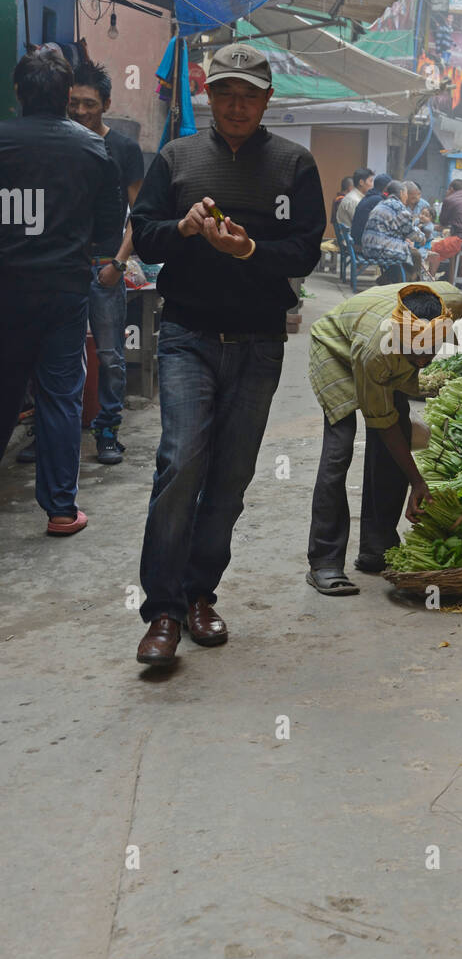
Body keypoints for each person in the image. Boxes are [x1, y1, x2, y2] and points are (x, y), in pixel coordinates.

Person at [130, 42, 326, 667]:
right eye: (225, 93)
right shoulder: (177, 158)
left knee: (231, 479)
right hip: (187, 334)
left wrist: (248, 253)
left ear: (267, 101)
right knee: (180, 463)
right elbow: (146, 235)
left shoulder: (294, 165)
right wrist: (184, 230)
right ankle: (160, 610)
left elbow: (304, 251)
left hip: (259, 342)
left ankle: (198, 594)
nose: (237, 106)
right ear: (208, 97)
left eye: (250, 95)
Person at [0, 49, 123, 535]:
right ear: (67, 96)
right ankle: (60, 510)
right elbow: (110, 230)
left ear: (18, 92)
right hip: (64, 292)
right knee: (60, 398)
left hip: (6, 290)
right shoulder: (93, 150)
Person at [307, 282, 462, 594]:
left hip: (373, 334)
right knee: (339, 449)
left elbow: (394, 421)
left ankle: (375, 548)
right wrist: (418, 481)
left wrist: (414, 479)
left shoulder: (452, 304)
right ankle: (324, 562)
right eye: (416, 353)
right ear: (399, 337)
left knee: (397, 435)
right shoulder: (375, 353)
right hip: (335, 347)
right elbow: (384, 425)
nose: (423, 362)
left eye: (430, 350)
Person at [68, 61, 144, 464]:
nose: (80, 112)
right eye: (73, 104)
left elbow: (140, 213)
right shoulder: (60, 145)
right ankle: (48, 432)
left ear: (106, 104)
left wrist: (118, 262)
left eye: (89, 104)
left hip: (105, 265)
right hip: (62, 266)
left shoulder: (124, 149)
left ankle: (108, 430)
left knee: (110, 355)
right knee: (57, 355)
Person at [361, 180, 424, 283]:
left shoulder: (382, 203)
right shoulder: (398, 206)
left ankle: (387, 279)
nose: (407, 197)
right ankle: (411, 281)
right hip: (379, 248)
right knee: (415, 254)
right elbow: (410, 232)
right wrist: (422, 237)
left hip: (367, 247)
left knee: (406, 248)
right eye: (406, 194)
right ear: (401, 193)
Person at [430, 177, 462, 267]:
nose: (446, 192)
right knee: (459, 254)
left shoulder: (450, 199)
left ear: (451, 189)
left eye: (447, 190)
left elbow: (443, 222)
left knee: (434, 250)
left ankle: (431, 278)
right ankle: (458, 278)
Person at [351, 171, 390, 247]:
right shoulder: (378, 200)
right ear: (386, 188)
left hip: (357, 238)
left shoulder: (369, 196)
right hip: (363, 242)